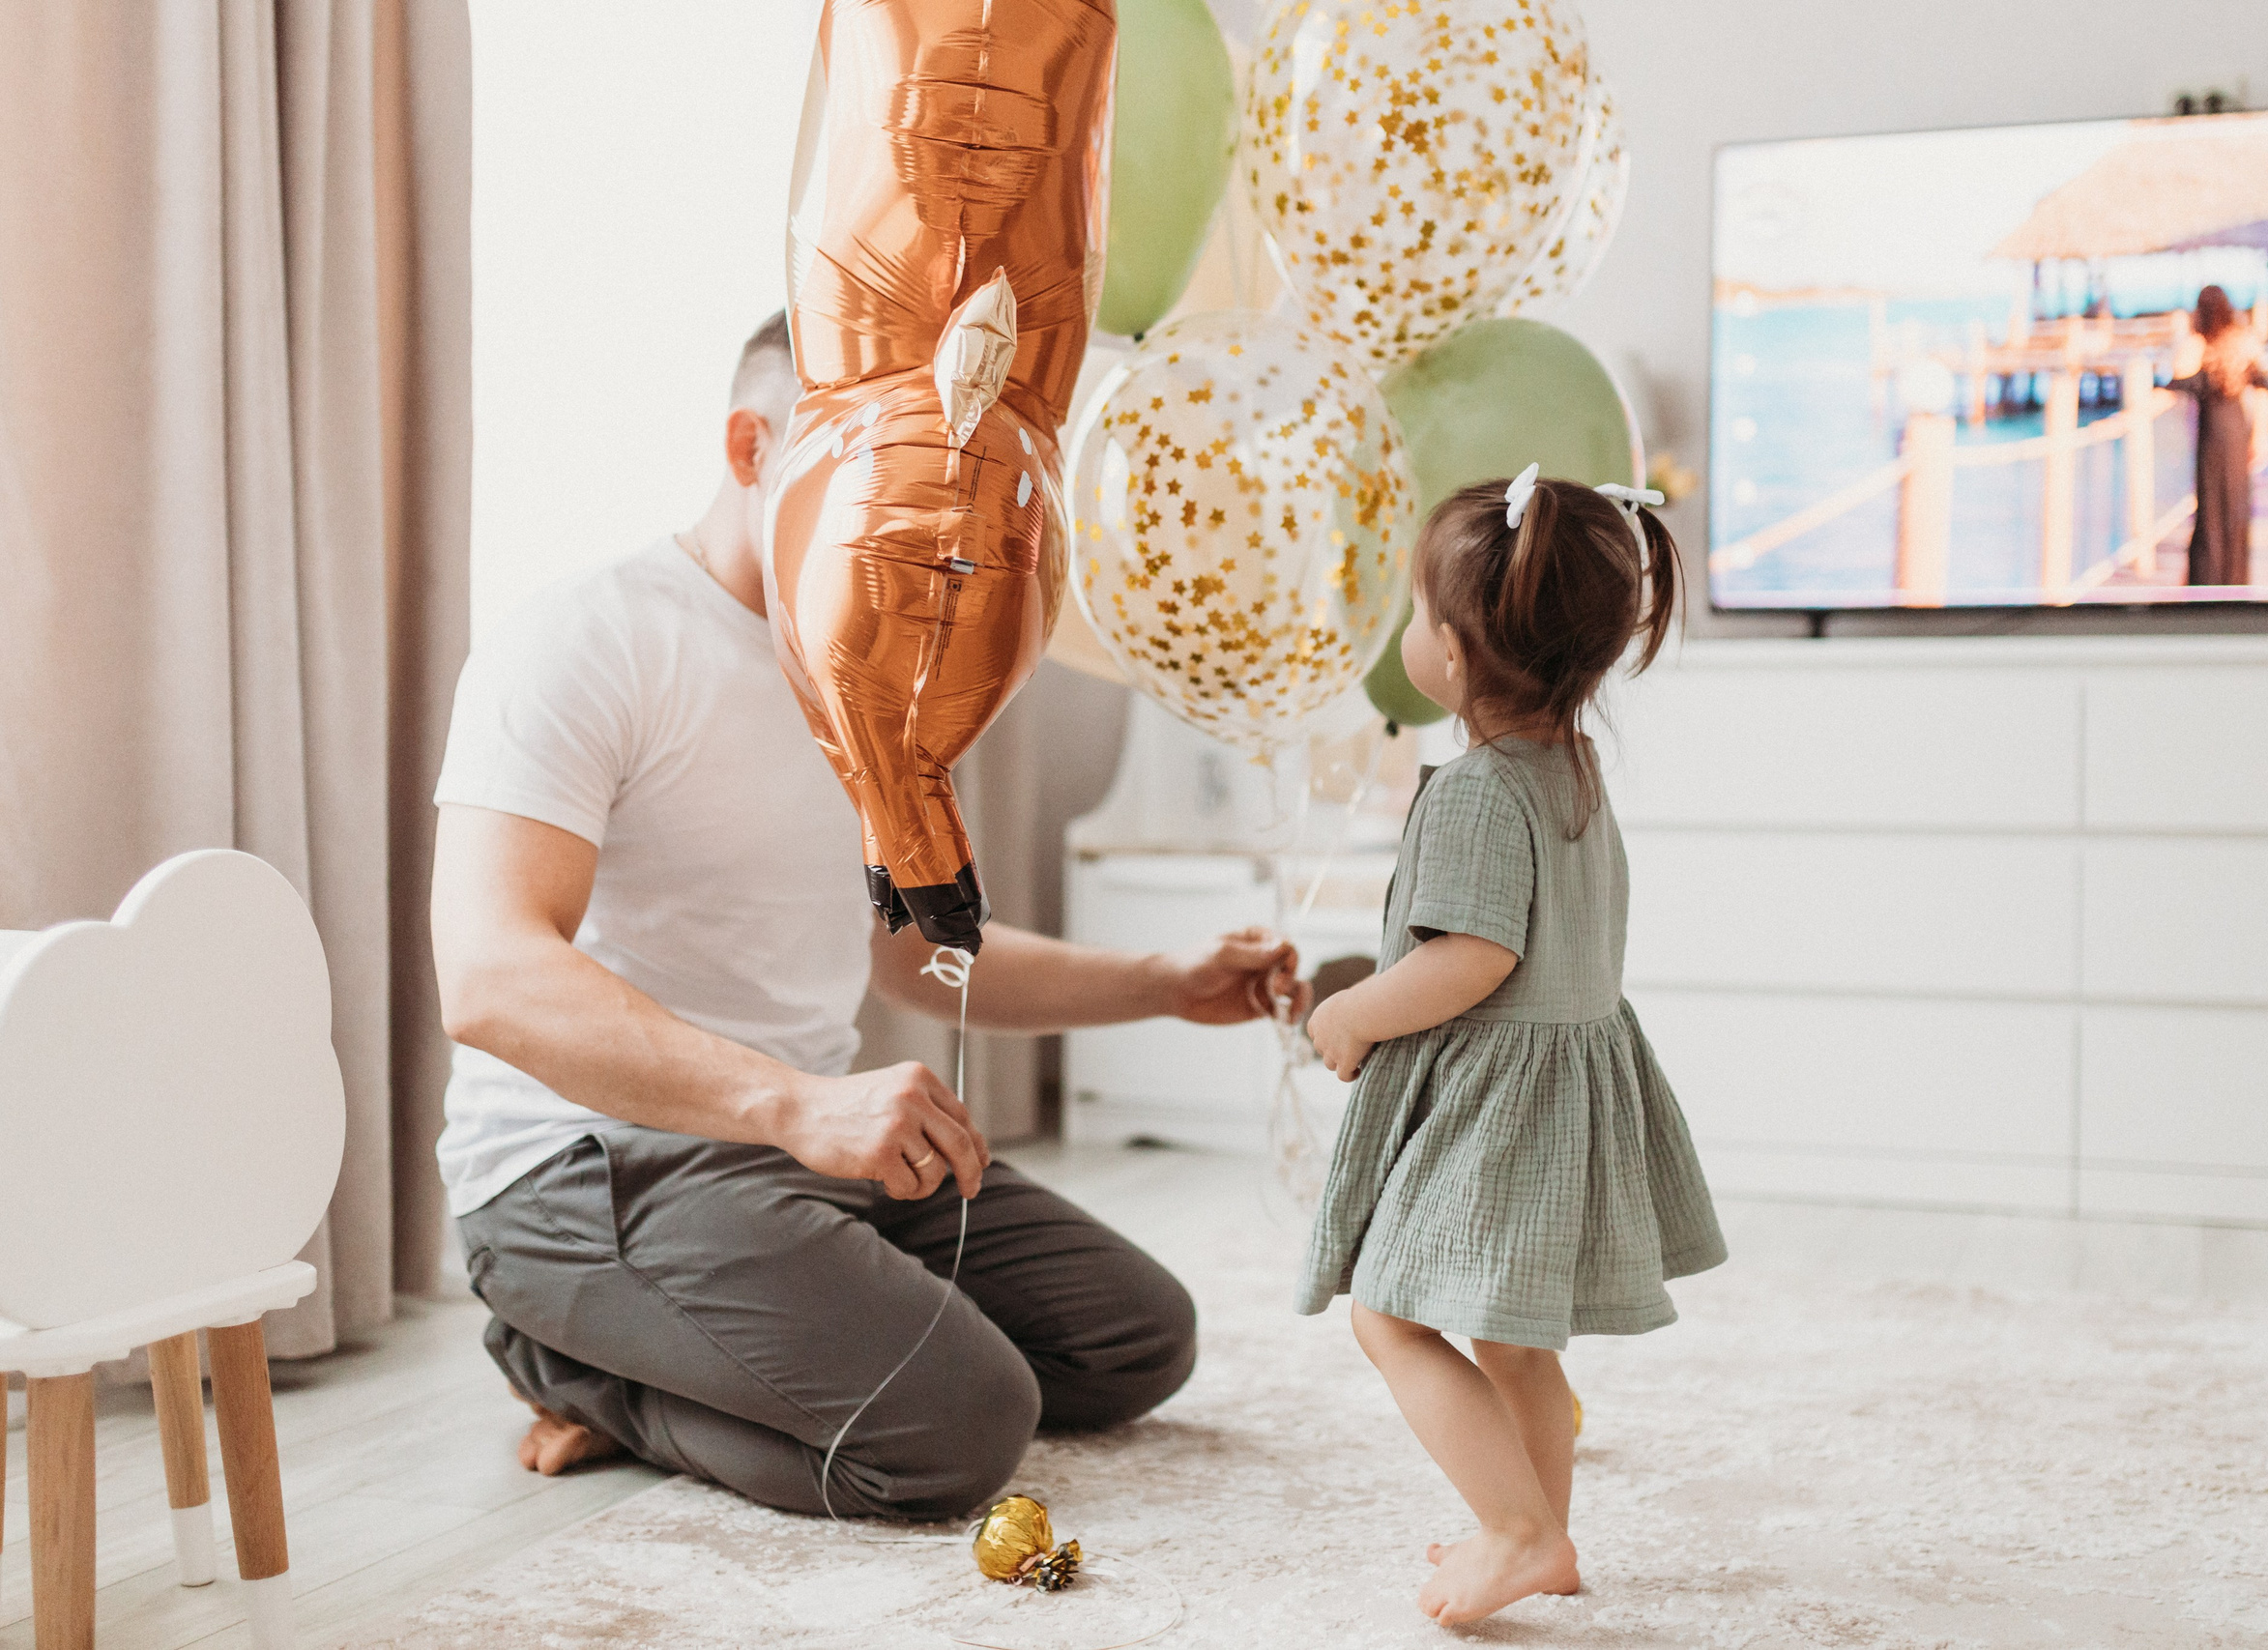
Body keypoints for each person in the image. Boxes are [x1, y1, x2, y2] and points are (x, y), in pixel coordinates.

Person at [428, 311, 1303, 1521]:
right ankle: (574, 1367)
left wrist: (1160, 981)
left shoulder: (875, 678)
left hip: (794, 1154)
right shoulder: (587, 638)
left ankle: (699, 1337)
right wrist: (798, 1105)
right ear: (750, 448)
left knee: (1131, 1343)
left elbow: (911, 956)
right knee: (957, 1431)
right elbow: (488, 978)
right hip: (586, 1171)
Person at [1296, 468, 1727, 1627]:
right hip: (1563, 1087)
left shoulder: (1477, 791)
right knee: (1515, 1341)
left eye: (1413, 612)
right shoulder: (1572, 768)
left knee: (1389, 1317)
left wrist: (1352, 1012)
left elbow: (1472, 958)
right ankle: (1546, 1537)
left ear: (1449, 650)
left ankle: (1517, 1531)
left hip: (1498, 1104)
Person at [2167, 284, 2268, 587]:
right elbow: (2263, 390)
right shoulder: (2243, 342)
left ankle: (2206, 582)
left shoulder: (2200, 345)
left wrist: (2190, 337)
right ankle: (2236, 581)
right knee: (2237, 509)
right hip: (2237, 430)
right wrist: (2259, 438)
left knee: (2210, 511)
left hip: (2212, 435)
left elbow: (2177, 380)